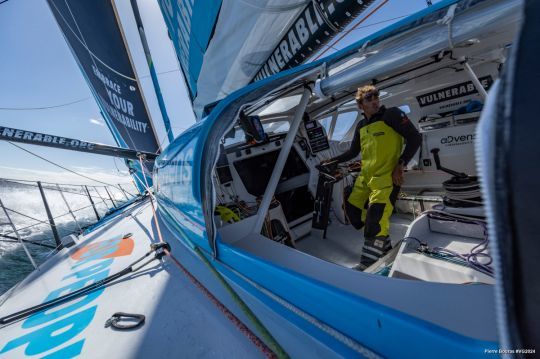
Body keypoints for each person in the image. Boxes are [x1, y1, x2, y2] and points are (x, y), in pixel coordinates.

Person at [322, 85, 421, 269]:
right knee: (351, 210)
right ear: (361, 105)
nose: (375, 101)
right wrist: (332, 161)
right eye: (369, 98)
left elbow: (415, 138)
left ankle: (369, 263)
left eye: (376, 96)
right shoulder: (361, 126)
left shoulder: (391, 115)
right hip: (365, 178)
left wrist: (400, 165)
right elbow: (353, 152)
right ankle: (383, 245)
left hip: (387, 179)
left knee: (374, 222)